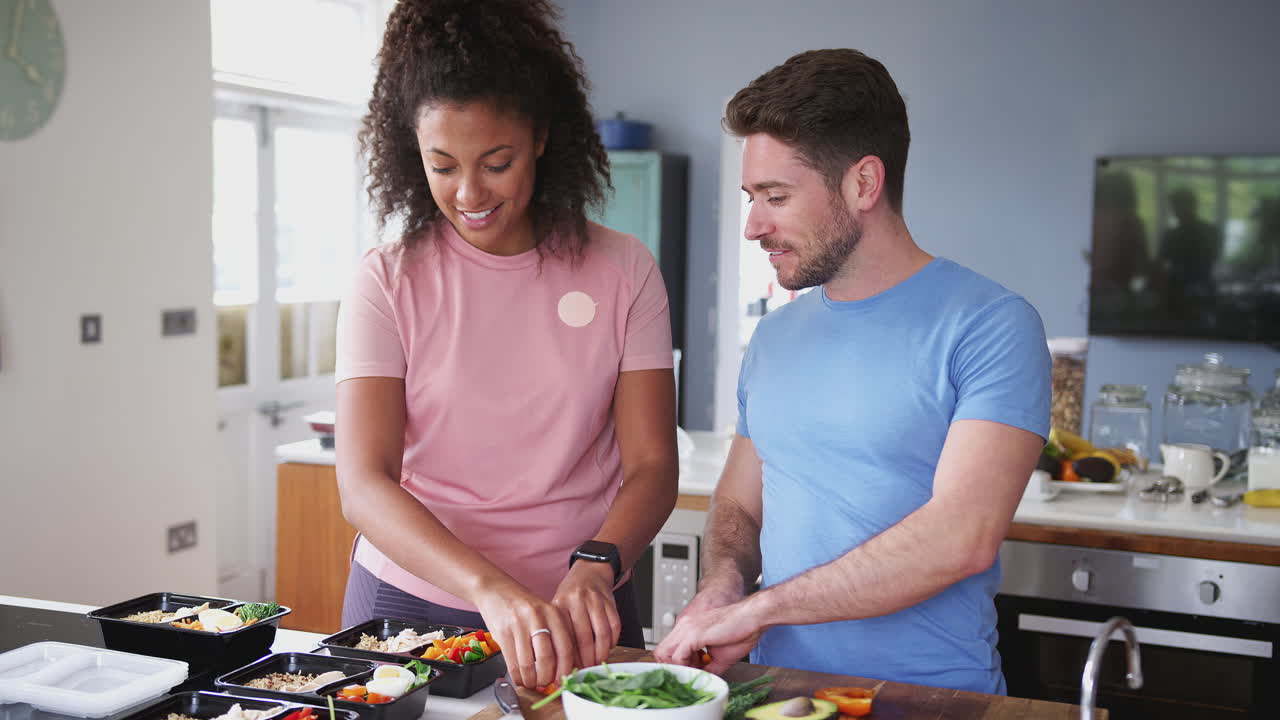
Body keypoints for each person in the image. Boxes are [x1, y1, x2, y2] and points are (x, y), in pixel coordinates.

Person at [654, 49, 1050, 695]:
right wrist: (723, 586)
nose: (754, 225)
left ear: (864, 183)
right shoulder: (775, 337)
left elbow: (961, 537)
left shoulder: (991, 325)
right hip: (779, 695)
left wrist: (760, 609)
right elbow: (737, 503)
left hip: (931, 700)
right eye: (752, 197)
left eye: (776, 197)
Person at [335, 0, 678, 691]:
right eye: (442, 165)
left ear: (543, 137)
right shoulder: (387, 281)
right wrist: (488, 587)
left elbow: (652, 465)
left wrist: (598, 564)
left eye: (497, 162)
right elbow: (363, 483)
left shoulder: (625, 270)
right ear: (413, 153)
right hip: (414, 602)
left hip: (586, 603)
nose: (469, 193)